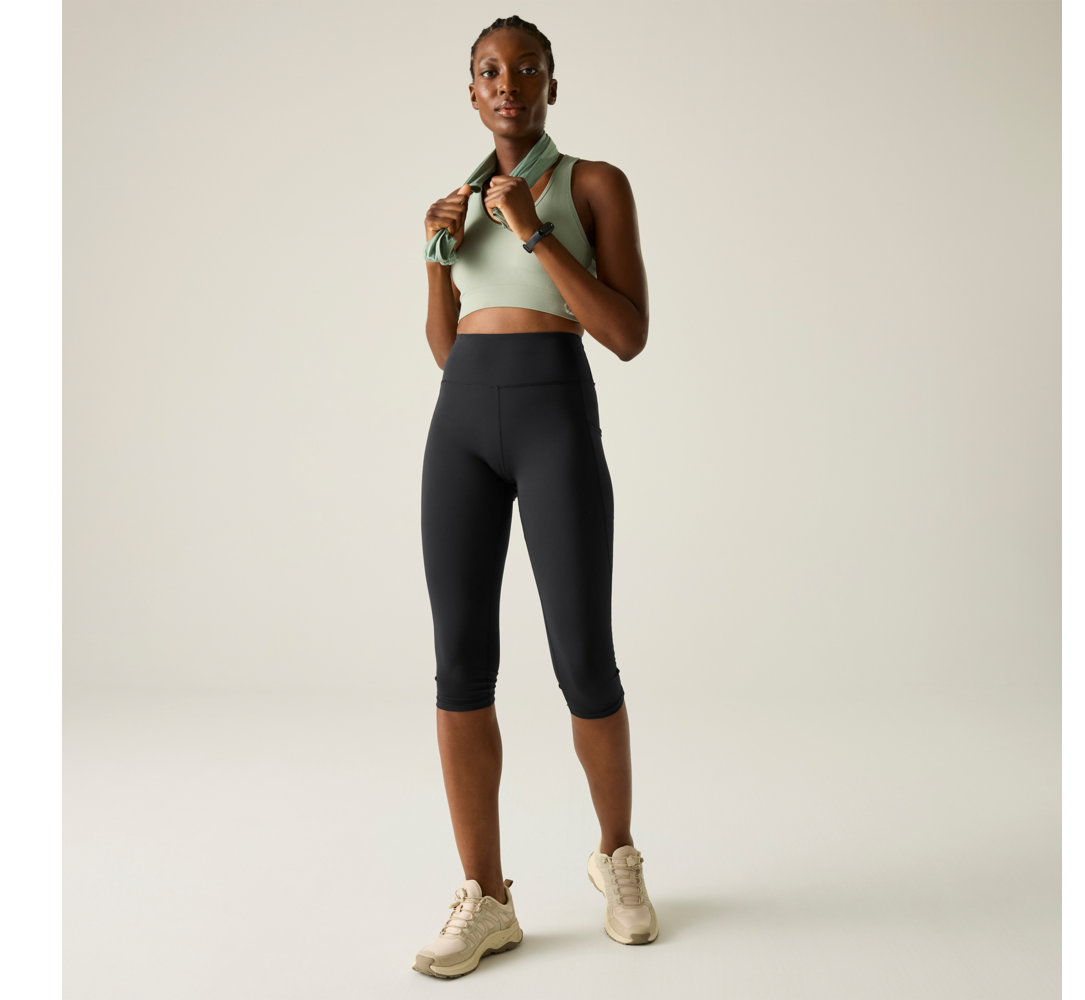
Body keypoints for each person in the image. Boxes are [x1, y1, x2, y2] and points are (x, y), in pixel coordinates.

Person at [412, 15, 656, 979]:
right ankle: (488, 897)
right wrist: (437, 257)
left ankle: (618, 858)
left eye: (525, 69)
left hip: (556, 417)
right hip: (460, 425)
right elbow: (445, 345)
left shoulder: (593, 186)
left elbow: (627, 333)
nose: (506, 84)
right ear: (470, 91)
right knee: (459, 664)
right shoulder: (451, 204)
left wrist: (535, 236)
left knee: (583, 656)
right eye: (488, 71)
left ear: (552, 84)